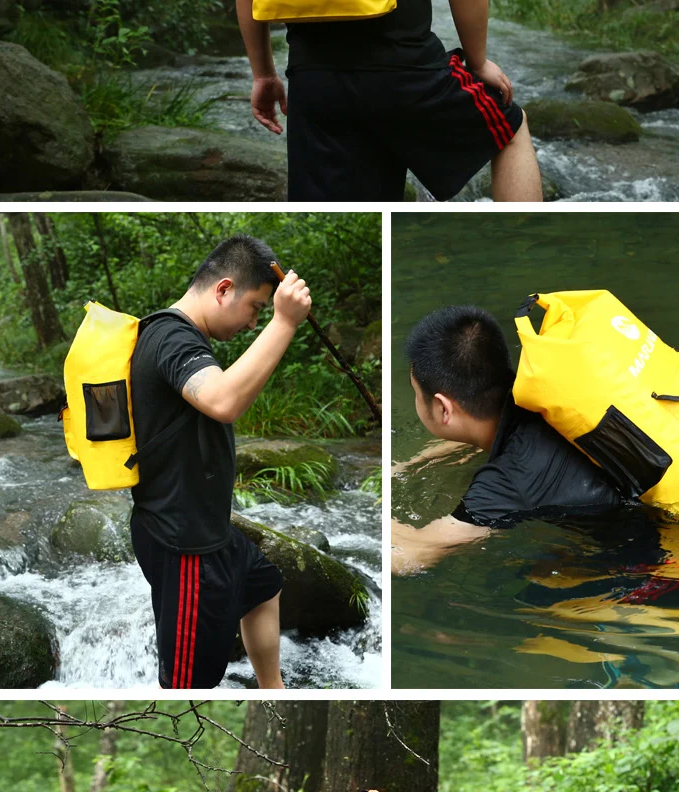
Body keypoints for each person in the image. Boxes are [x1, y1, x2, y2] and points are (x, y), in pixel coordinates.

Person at [130, 234, 311, 689]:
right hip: (184, 544)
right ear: (224, 289)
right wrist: (284, 322)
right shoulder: (171, 336)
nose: (255, 321)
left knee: (263, 583)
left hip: (206, 532)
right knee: (188, 683)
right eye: (255, 307)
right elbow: (223, 400)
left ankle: (274, 688)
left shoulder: (175, 334)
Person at [235, 0, 543, 203]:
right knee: (510, 131)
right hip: (405, 69)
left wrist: (262, 73)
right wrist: (477, 61)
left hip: (313, 81)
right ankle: (530, 261)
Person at [391, 305, 624, 574]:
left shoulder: (506, 482)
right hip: (639, 487)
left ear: (443, 408)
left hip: (649, 555)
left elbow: (410, 558)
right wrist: (410, 464)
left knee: (536, 588)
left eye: (417, 393)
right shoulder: (541, 396)